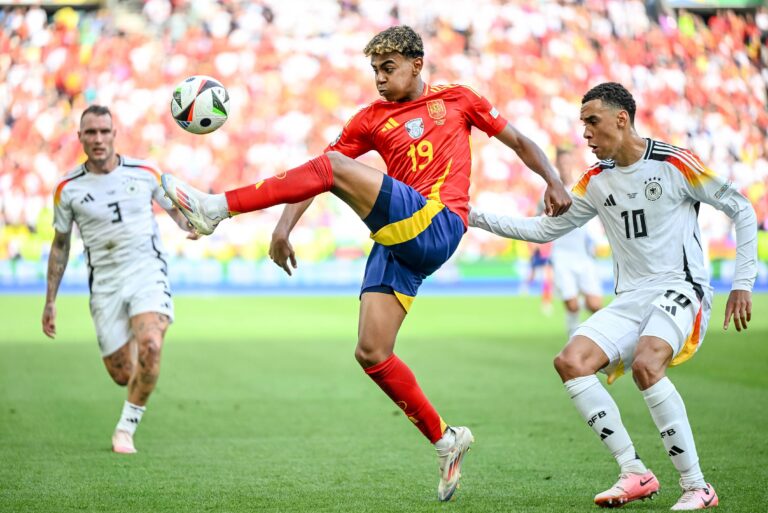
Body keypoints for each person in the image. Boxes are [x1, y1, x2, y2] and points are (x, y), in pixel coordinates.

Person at [160, 25, 571, 500]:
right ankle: (445, 439)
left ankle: (216, 208)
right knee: (372, 352)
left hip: (438, 222)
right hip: (400, 238)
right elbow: (318, 170)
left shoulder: (459, 99)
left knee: (334, 168)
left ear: (417, 64)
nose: (378, 78)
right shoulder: (370, 119)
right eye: (374, 69)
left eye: (387, 68)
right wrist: (282, 227)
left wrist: (553, 180)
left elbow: (520, 141)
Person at [469, 82, 757, 510]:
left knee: (646, 363)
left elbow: (742, 208)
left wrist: (742, 282)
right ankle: (634, 471)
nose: (585, 132)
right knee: (571, 362)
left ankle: (697, 486)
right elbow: (544, 230)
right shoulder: (596, 180)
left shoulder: (675, 163)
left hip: (681, 287)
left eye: (592, 121)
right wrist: (471, 215)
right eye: (582, 123)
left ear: (621, 119)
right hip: (631, 297)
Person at [42, 105, 198, 454]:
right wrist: (50, 300)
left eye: (104, 131)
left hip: (146, 271)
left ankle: (125, 429)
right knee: (122, 373)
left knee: (152, 348)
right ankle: (139, 371)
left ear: (115, 134)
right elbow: (61, 244)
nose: (98, 139)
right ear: (80, 137)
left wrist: (192, 225)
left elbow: (176, 211)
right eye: (90, 132)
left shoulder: (145, 172)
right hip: (105, 284)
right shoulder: (67, 188)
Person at [550, 147, 603, 336]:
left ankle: (600, 338)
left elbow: (596, 215)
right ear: (556, 164)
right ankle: (573, 339)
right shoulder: (551, 189)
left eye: (567, 162)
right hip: (562, 255)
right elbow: (539, 216)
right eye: (561, 163)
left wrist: (597, 240)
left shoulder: (582, 187)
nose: (565, 166)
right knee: (572, 306)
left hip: (583, 254)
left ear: (572, 164)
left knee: (595, 304)